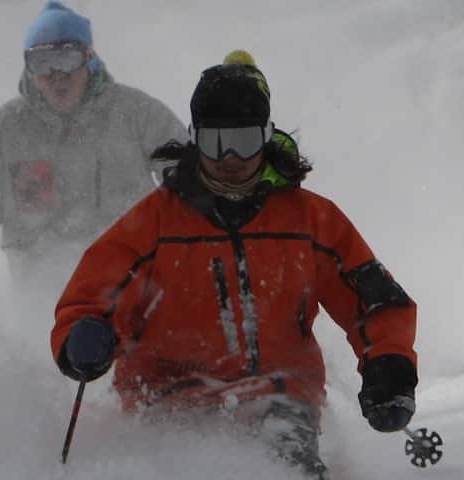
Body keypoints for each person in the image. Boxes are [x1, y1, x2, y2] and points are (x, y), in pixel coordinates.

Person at [48, 52, 419, 478]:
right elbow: (93, 295)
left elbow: (374, 299)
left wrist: (388, 365)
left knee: (287, 464)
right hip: (169, 398)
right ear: (194, 138)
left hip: (280, 393)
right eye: (214, 141)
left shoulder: (311, 221)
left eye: (243, 141)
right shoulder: (155, 224)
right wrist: (83, 338)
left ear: (266, 137)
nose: (229, 157)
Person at [0, 0, 187, 296]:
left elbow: (190, 181)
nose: (56, 75)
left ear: (89, 59)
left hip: (134, 291)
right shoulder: (4, 132)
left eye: (68, 58)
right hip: (41, 304)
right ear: (29, 70)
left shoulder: (136, 115)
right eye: (41, 62)